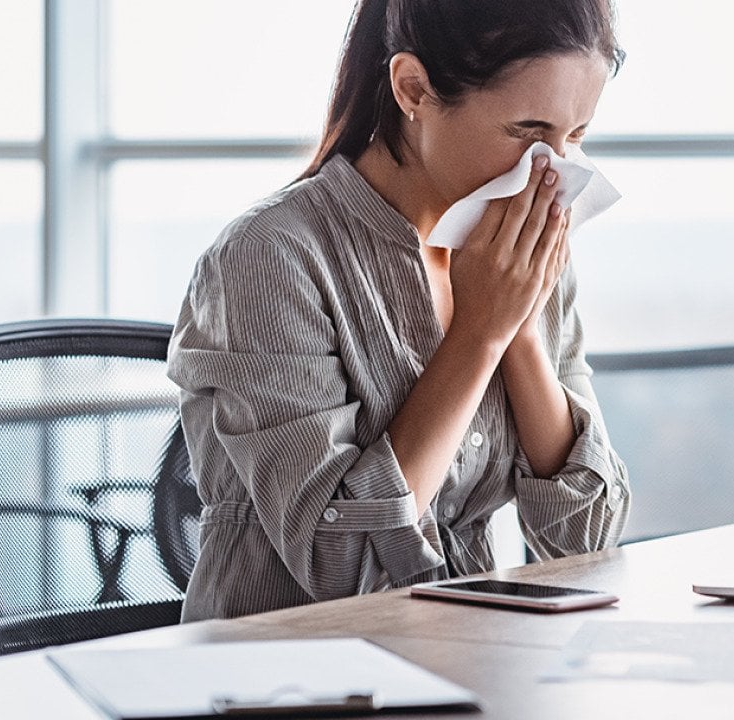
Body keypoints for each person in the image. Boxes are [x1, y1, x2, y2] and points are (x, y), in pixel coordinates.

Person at [166, 0, 631, 621]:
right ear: (413, 89)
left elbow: (588, 541)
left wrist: (518, 328)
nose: (552, 171)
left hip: (472, 661)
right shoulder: (269, 259)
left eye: (574, 137)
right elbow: (345, 565)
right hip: (288, 677)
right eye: (526, 132)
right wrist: (479, 335)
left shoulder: (520, 256)